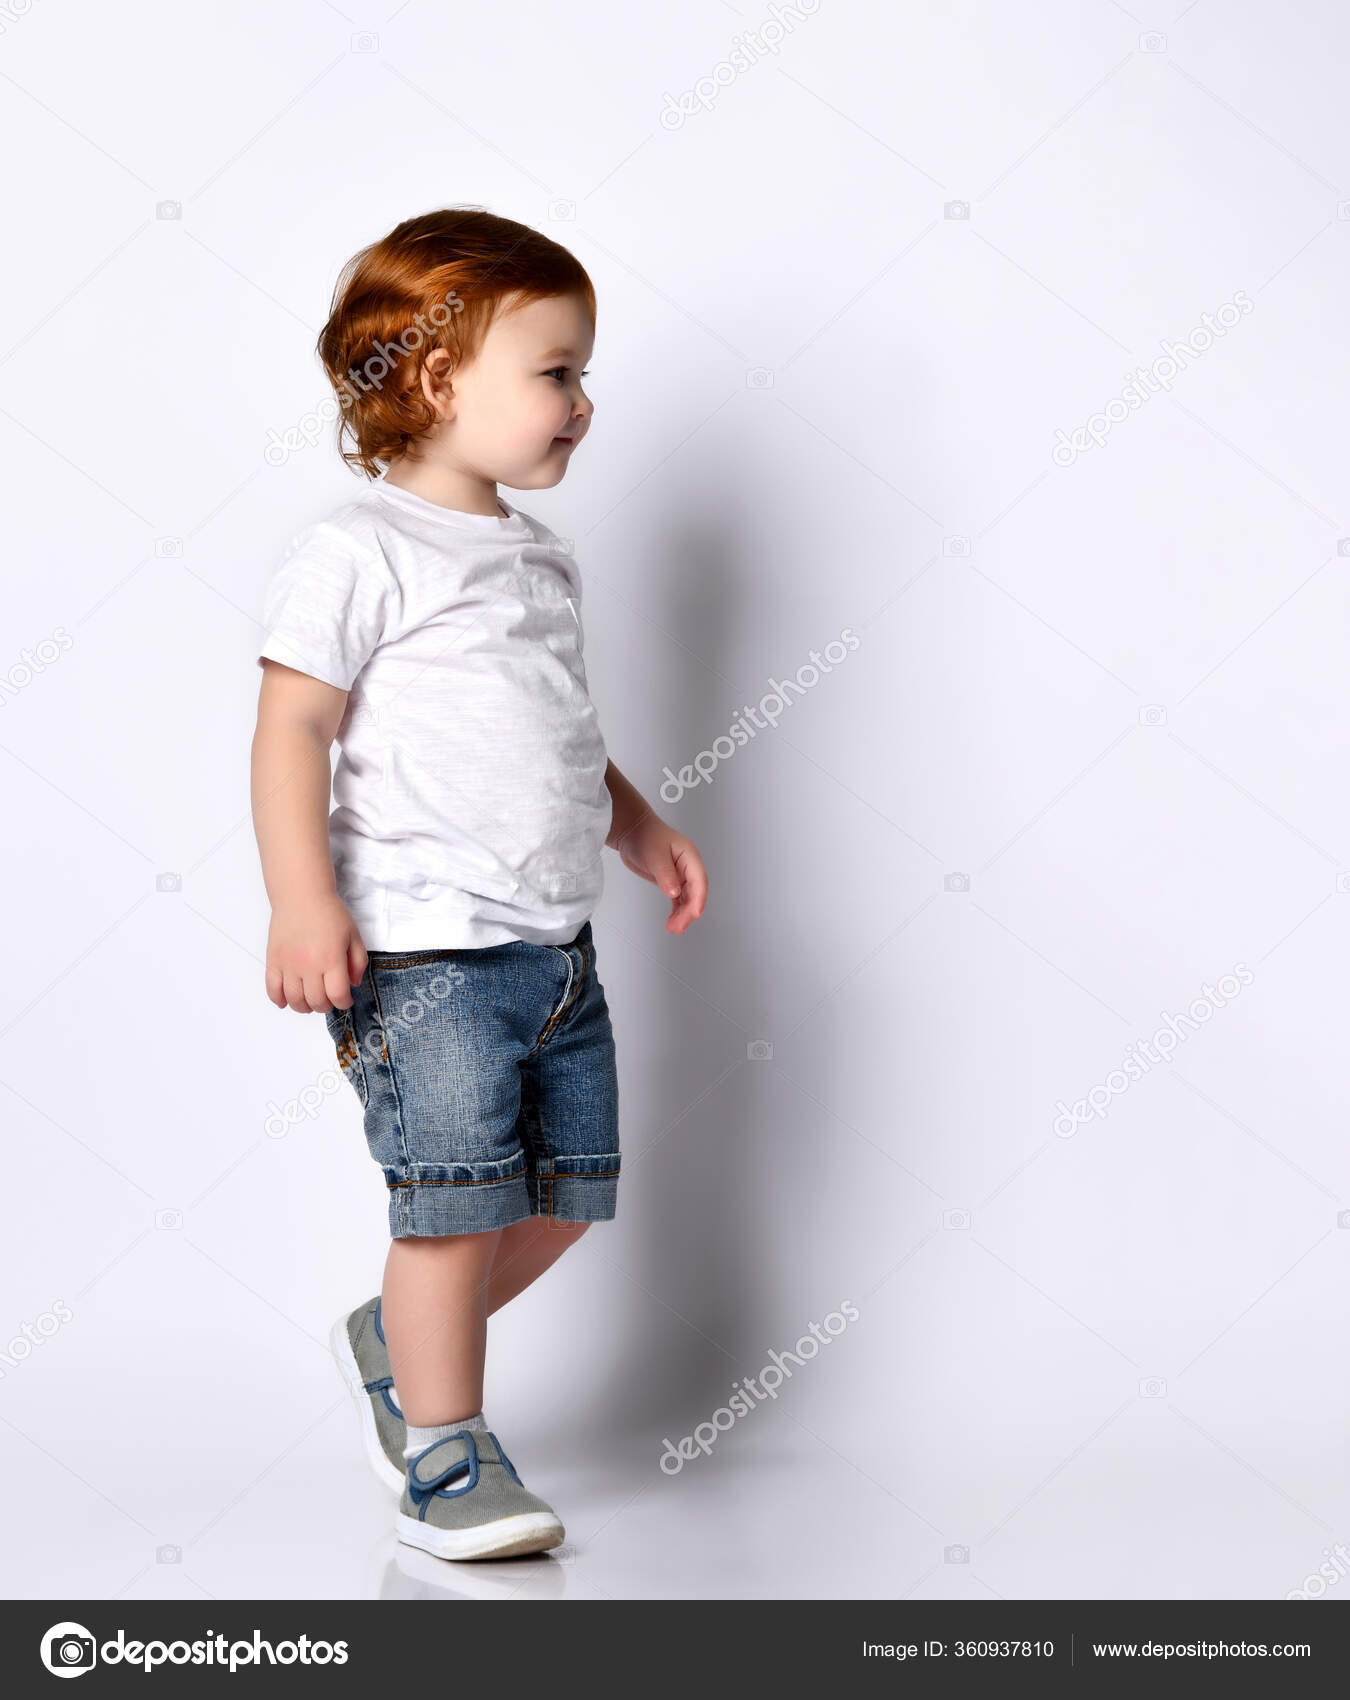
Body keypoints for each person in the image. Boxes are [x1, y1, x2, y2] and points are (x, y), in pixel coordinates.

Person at [250, 208, 708, 1561]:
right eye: (554, 371)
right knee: (452, 1215)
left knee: (566, 1198)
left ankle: (392, 1343)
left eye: (580, 372)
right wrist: (302, 898)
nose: (581, 402)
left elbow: (552, 725)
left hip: (552, 951)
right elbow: (291, 729)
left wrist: (635, 820)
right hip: (423, 959)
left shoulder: (533, 555)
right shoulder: (359, 553)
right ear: (438, 381)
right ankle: (445, 1456)